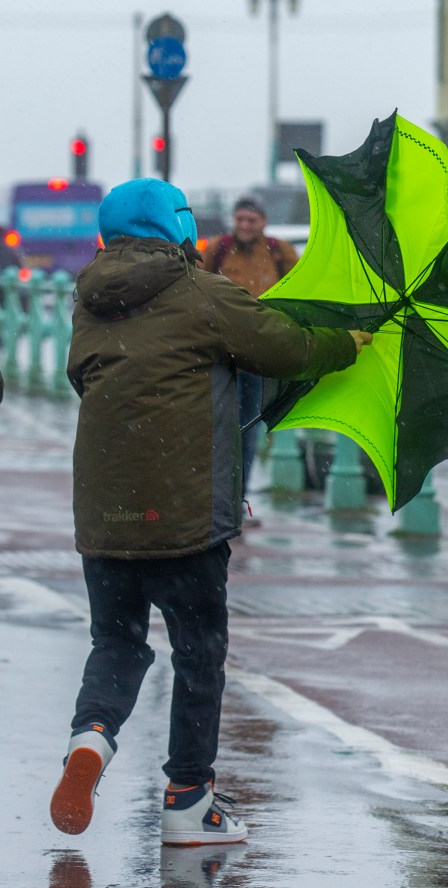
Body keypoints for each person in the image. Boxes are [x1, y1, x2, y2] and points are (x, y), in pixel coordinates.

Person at [49, 178, 372, 845]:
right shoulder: (202, 291)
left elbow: (80, 376)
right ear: (179, 226)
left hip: (104, 515)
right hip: (187, 512)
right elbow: (287, 348)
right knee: (198, 653)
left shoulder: (88, 299)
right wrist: (348, 342)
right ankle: (189, 801)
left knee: (116, 642)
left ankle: (92, 739)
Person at [199, 195, 299, 521]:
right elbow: (195, 285)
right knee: (215, 428)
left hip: (258, 356)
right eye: (240, 219)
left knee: (249, 430)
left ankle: (237, 501)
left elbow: (299, 290)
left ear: (263, 222)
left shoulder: (279, 251)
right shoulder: (218, 248)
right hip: (219, 353)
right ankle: (215, 500)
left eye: (251, 221)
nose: (245, 226)